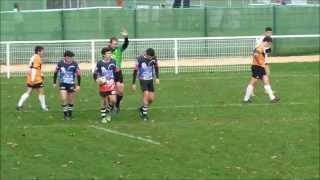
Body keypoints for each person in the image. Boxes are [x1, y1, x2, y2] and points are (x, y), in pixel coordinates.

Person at [243, 36, 280, 103]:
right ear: (267, 42)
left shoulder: (262, 47)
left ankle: (272, 98)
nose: (268, 45)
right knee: (253, 82)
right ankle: (246, 99)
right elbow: (255, 54)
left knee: (265, 81)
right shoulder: (259, 47)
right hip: (257, 67)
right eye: (269, 44)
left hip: (260, 67)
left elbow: (265, 52)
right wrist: (259, 62)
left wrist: (268, 51)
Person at [16, 46, 48, 111]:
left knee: (29, 91)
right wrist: (33, 79)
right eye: (42, 51)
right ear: (38, 51)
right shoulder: (37, 58)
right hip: (36, 78)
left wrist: (41, 74)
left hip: (31, 76)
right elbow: (34, 69)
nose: (43, 53)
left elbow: (34, 67)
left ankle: (19, 105)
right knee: (41, 92)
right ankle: (44, 107)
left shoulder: (34, 57)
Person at [131, 48, 160, 121]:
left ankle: (142, 108)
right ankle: (144, 114)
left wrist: (157, 78)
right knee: (146, 94)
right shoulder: (139, 59)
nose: (151, 58)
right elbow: (135, 71)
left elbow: (156, 67)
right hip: (143, 79)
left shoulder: (153, 58)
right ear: (146, 54)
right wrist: (133, 83)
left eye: (152, 57)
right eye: (150, 57)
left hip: (150, 80)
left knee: (151, 99)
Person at [93, 47, 119, 123]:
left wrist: (116, 81)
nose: (110, 54)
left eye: (110, 53)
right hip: (103, 85)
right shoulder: (100, 63)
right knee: (104, 101)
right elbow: (95, 73)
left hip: (112, 85)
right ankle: (103, 117)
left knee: (113, 100)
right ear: (103, 55)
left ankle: (107, 112)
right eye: (108, 53)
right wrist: (97, 80)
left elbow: (116, 72)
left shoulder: (113, 61)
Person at [53, 50, 81, 120]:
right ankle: (65, 115)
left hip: (71, 84)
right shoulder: (60, 63)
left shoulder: (75, 64)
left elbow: (78, 75)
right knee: (63, 98)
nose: (71, 59)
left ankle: (70, 113)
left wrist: (78, 85)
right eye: (70, 57)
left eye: (72, 58)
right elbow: (55, 72)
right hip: (62, 84)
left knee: (71, 100)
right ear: (65, 57)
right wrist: (54, 82)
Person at [108, 30, 129, 113]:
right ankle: (111, 105)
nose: (115, 45)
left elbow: (125, 45)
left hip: (118, 72)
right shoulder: (106, 51)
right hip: (109, 74)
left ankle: (117, 104)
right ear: (110, 44)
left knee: (121, 91)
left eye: (116, 44)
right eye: (114, 44)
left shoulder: (119, 49)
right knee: (111, 91)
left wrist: (126, 37)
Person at [252, 27, 273, 97]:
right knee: (256, 78)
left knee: (267, 74)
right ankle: (251, 91)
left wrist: (268, 49)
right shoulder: (261, 39)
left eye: (271, 33)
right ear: (265, 32)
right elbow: (258, 49)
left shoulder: (269, 40)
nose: (270, 34)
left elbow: (268, 51)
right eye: (268, 32)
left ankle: (266, 90)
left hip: (264, 61)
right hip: (259, 62)